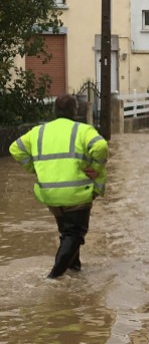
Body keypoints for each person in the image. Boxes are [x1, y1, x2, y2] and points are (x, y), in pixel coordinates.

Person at [9, 94, 109, 279]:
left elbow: (15, 148)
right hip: (76, 193)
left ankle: (74, 272)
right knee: (75, 234)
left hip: (49, 194)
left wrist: (34, 168)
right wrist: (95, 168)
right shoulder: (83, 130)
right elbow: (101, 146)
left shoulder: (39, 131)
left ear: (54, 111)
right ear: (75, 111)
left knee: (67, 233)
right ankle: (54, 277)